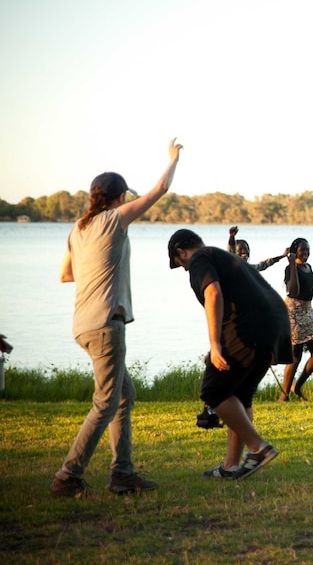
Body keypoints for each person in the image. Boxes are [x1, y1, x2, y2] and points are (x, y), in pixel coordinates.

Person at [52, 138, 182, 497]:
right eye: (125, 196)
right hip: (106, 323)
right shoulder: (114, 220)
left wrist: (96, 269)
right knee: (107, 402)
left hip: (83, 324)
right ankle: (68, 476)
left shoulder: (79, 229)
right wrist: (172, 158)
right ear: (119, 197)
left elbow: (66, 275)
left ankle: (122, 473)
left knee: (125, 394)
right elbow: (161, 189)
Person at [169, 228, 290, 479]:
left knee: (213, 391)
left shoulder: (199, 259)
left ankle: (257, 448)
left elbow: (213, 294)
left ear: (181, 252)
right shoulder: (227, 258)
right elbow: (236, 301)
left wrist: (215, 343)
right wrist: (218, 344)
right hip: (275, 324)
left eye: (179, 263)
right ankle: (230, 466)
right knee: (240, 394)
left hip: (251, 327)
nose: (184, 269)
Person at [280, 237, 313, 402]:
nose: (306, 253)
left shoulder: (308, 267)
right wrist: (292, 264)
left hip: (308, 310)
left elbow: (305, 288)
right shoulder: (289, 268)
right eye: (302, 250)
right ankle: (284, 395)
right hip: (294, 311)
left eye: (307, 249)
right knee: (296, 355)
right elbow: (293, 291)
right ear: (295, 252)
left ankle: (297, 387)